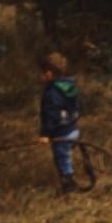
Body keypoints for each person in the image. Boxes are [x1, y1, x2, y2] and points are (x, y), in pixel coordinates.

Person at [37, 51, 83, 194]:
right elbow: (77, 107)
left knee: (62, 158)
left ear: (49, 74)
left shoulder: (52, 93)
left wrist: (45, 134)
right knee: (66, 155)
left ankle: (69, 186)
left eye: (41, 73)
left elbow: (50, 115)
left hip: (61, 132)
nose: (40, 76)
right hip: (72, 128)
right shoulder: (69, 86)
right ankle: (69, 181)